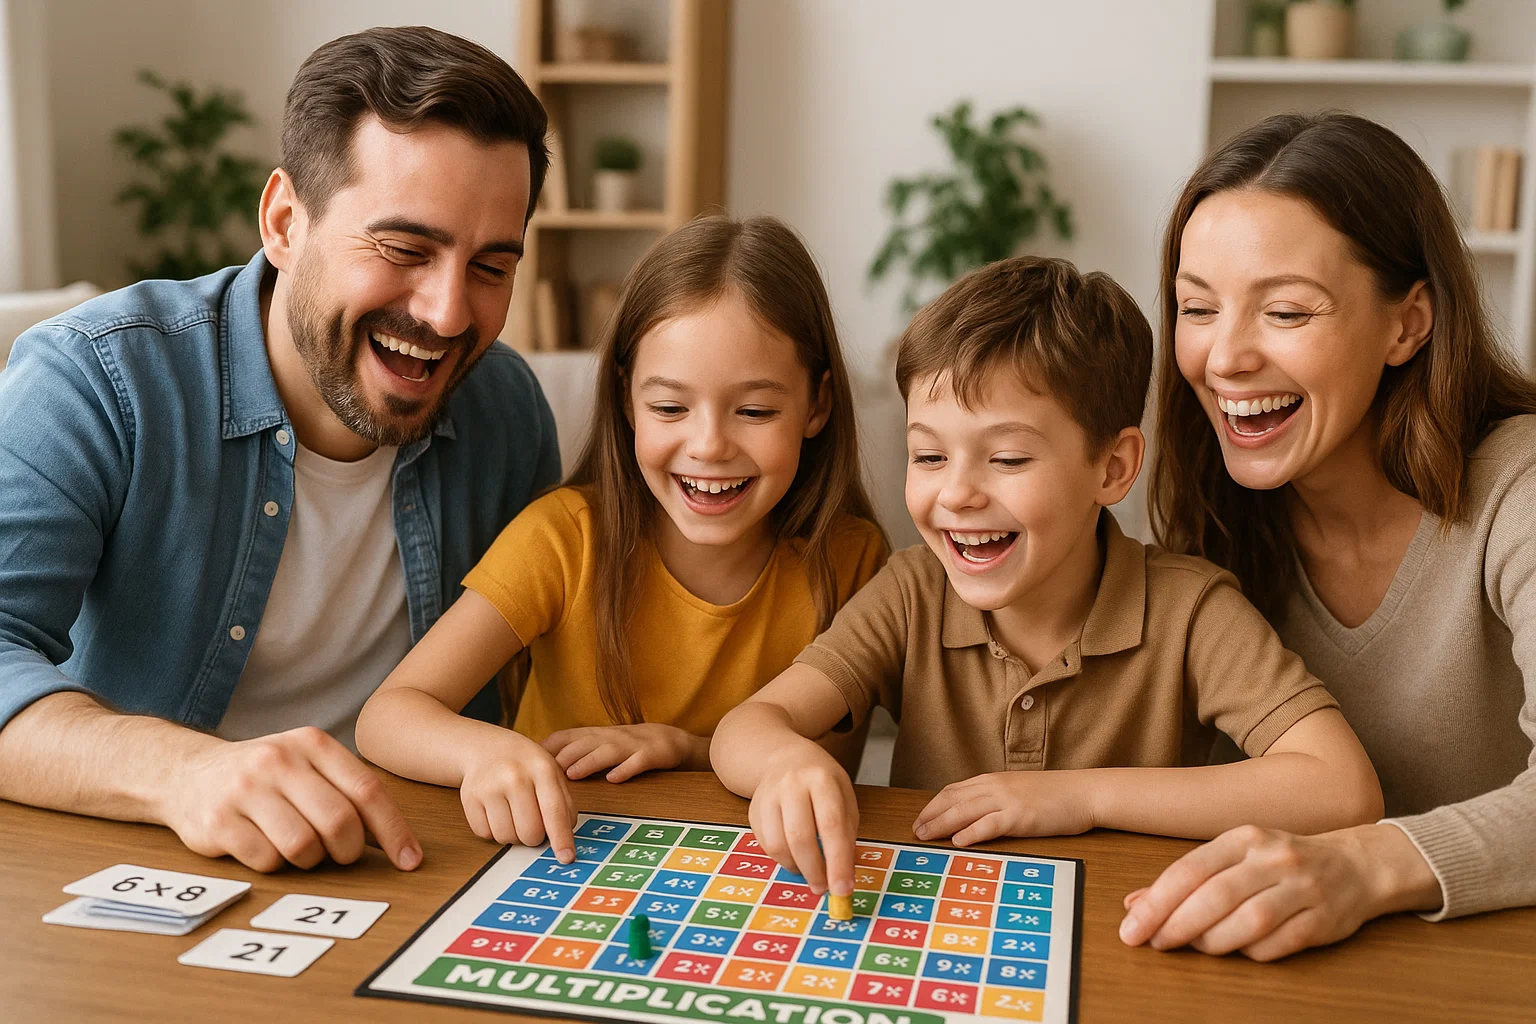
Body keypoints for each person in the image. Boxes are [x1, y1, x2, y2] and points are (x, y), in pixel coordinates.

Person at [0, 26, 559, 874]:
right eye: (406, 249)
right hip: (140, 871)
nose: (448, 314)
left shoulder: (505, 410)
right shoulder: (95, 379)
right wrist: (184, 771)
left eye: (490, 266)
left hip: (416, 871)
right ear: (285, 222)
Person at [710, 255, 1383, 899]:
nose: (958, 494)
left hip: (1124, 937)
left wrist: (1079, 795)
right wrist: (785, 762)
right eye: (929, 455)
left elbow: (1342, 788)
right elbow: (747, 728)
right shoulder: (911, 591)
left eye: (1005, 458)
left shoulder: (1191, 609)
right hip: (941, 930)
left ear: (1113, 469)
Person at [1120, 111, 1536, 962]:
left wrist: (1363, 864)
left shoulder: (1519, 490)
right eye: (1197, 307)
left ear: (1407, 324)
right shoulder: (1216, 513)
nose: (1223, 357)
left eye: (1285, 311)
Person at [356, 215, 889, 861]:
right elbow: (388, 716)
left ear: (817, 405)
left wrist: (683, 749)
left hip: (741, 875)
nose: (710, 445)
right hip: (559, 862)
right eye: (669, 408)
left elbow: (820, 771)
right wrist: (484, 751)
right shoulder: (565, 538)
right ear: (627, 400)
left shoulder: (853, 562)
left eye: (755, 411)